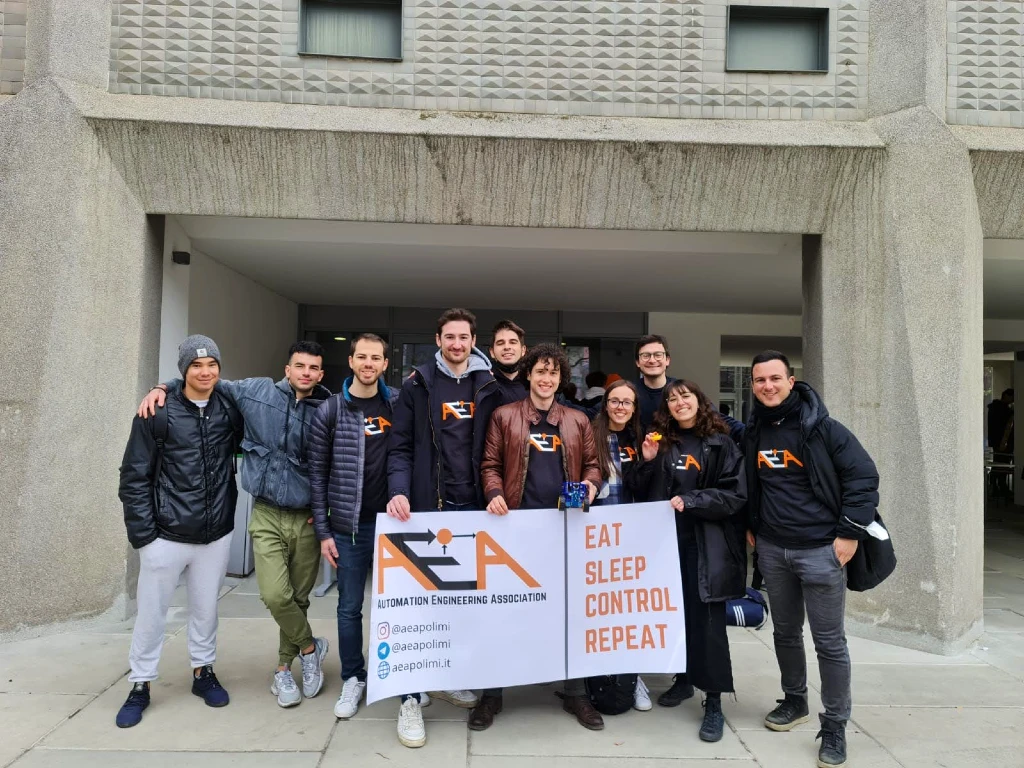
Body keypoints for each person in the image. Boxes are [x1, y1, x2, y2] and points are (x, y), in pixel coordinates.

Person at [138, 341, 332, 709]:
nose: (305, 373)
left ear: (320, 374)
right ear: (287, 368)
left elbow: (339, 463)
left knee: (299, 598)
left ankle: (282, 668)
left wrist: (326, 514)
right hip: (265, 513)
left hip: (306, 515)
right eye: (299, 366)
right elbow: (203, 380)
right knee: (275, 595)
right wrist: (163, 386)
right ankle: (310, 647)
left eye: (313, 368)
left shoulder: (329, 409)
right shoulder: (255, 391)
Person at [744, 351, 879, 768]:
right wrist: (752, 524)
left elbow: (863, 477)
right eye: (760, 380)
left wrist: (849, 533)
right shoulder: (753, 432)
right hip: (772, 549)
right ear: (752, 385)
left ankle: (835, 725)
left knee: (829, 643)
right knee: (785, 633)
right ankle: (795, 701)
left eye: (775, 378)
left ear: (791, 380)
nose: (768, 386)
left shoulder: (824, 428)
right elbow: (750, 483)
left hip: (822, 550)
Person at [473, 343, 602, 732]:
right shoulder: (504, 416)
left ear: (562, 380)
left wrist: (592, 486)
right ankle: (491, 694)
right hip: (514, 530)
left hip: (564, 530)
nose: (546, 380)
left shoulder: (578, 420)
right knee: (503, 612)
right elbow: (490, 464)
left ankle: (576, 692)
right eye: (540, 372)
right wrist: (494, 493)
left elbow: (594, 466)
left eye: (554, 374)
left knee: (568, 613)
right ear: (528, 374)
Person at [116, 335, 243, 727]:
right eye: (195, 366)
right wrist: (144, 538)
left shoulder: (228, 407)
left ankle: (202, 673)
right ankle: (140, 684)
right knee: (151, 615)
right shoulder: (157, 411)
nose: (205, 372)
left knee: (206, 611)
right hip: (165, 536)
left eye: (212, 365)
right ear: (183, 370)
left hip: (215, 533)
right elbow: (134, 476)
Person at [386, 308, 494, 747]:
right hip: (427, 509)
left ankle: (445, 674)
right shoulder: (417, 385)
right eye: (449, 336)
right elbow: (400, 447)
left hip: (475, 509)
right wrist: (399, 490)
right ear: (438, 339)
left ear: (473, 340)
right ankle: (410, 697)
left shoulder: (488, 385)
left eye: (463, 336)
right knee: (418, 603)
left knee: (462, 603)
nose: (456, 343)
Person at [635, 379, 746, 742]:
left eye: (685, 396)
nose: (678, 402)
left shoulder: (721, 444)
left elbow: (734, 495)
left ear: (699, 402)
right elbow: (641, 493)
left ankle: (713, 702)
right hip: (666, 546)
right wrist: (647, 463)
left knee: (708, 624)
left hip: (706, 545)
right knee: (673, 616)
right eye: (671, 399)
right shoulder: (662, 443)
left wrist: (694, 500)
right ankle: (682, 681)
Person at [307, 334, 397, 721]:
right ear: (351, 361)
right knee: (349, 608)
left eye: (376, 358)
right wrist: (324, 532)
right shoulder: (330, 409)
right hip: (350, 527)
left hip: (396, 526)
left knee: (398, 606)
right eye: (362, 356)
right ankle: (353, 677)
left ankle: (399, 676)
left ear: (385, 364)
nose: (368, 363)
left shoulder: (398, 403)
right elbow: (317, 474)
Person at [590, 379, 652, 712]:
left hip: (631, 537)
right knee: (600, 610)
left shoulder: (640, 439)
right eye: (615, 401)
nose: (621, 407)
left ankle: (632, 675)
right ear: (606, 403)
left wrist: (647, 460)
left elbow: (645, 487)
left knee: (629, 611)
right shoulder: (590, 433)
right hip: (596, 537)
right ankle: (599, 675)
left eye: (627, 403)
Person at [634, 335, 745, 442]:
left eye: (658, 355)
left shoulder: (682, 390)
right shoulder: (630, 393)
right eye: (645, 355)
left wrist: (748, 434)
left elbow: (714, 417)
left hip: (678, 453)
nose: (652, 360)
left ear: (667, 360)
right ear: (638, 362)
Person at [489, 319, 529, 404]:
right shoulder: (484, 382)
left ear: (523, 350)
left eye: (513, 342)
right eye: (500, 343)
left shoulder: (534, 382)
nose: (507, 347)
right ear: (492, 352)